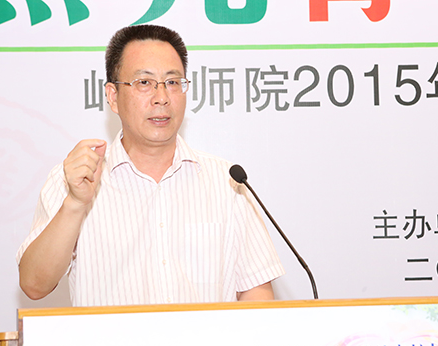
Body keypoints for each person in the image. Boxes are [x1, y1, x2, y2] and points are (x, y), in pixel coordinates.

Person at [16, 25, 284, 306]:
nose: (162, 97)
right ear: (113, 96)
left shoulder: (227, 183)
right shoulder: (75, 180)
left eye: (173, 82)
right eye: (144, 82)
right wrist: (74, 203)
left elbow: (256, 291)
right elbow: (34, 285)